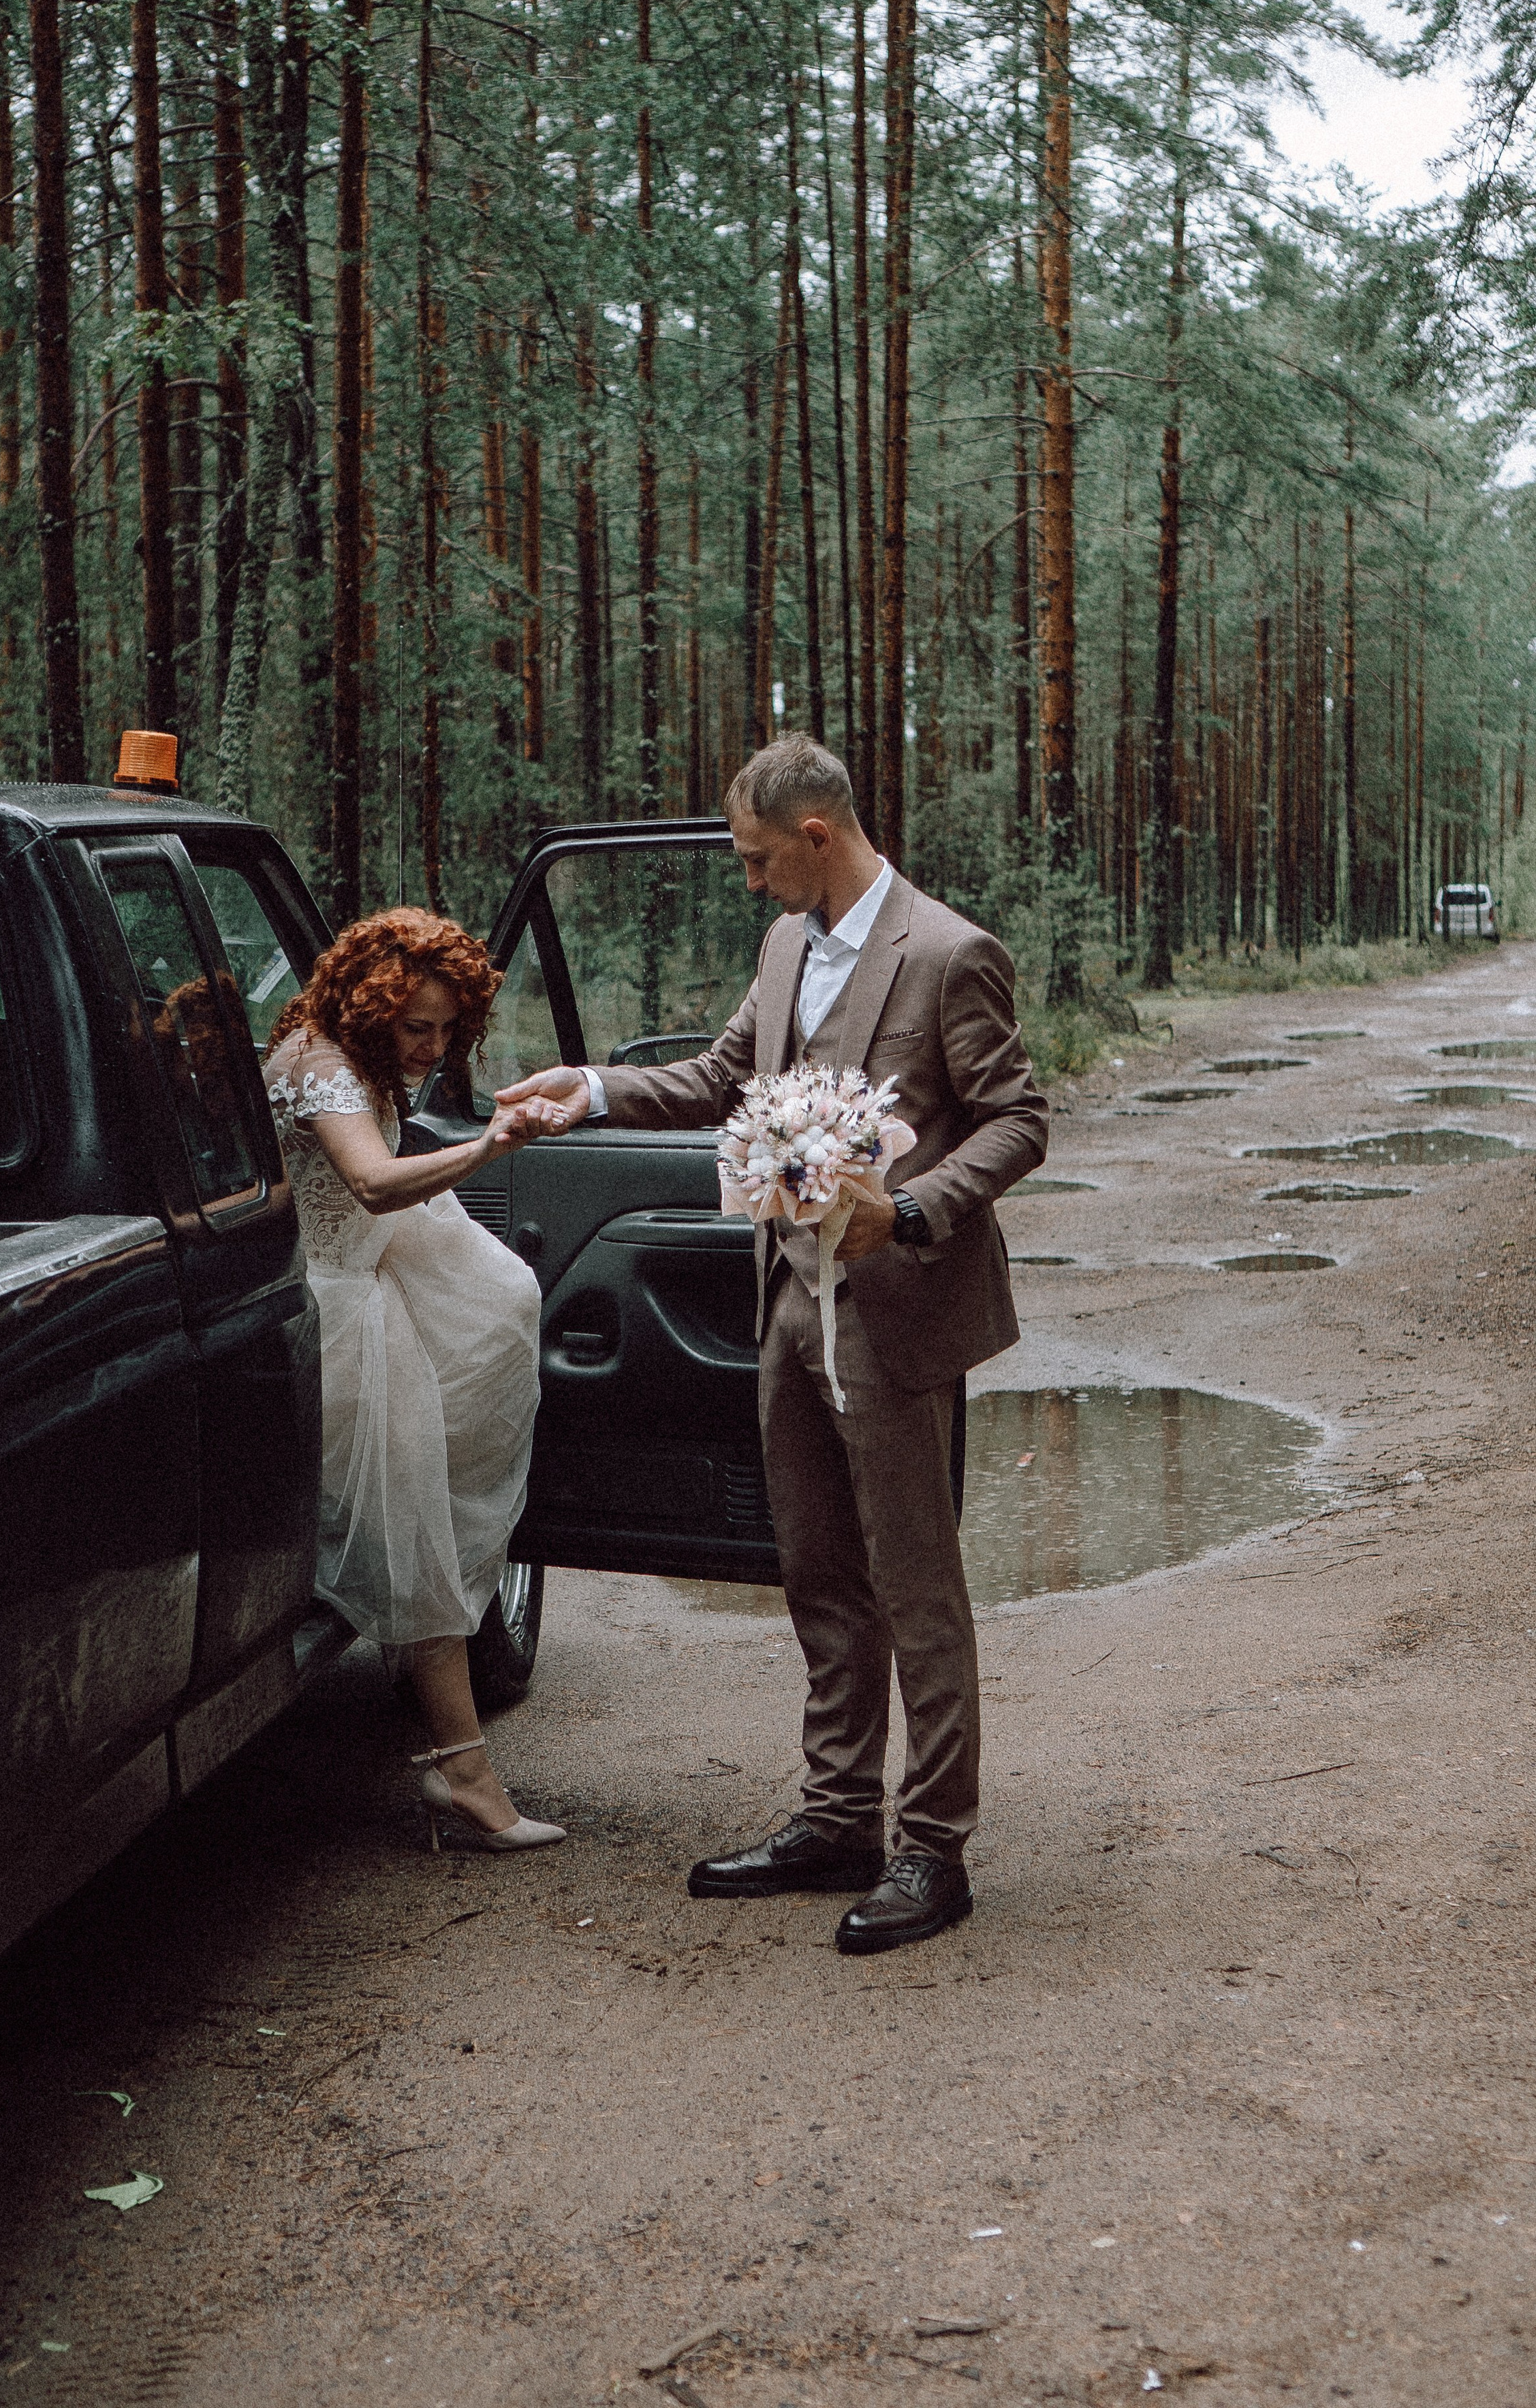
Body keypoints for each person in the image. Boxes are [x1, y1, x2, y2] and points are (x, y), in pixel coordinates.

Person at [504, 736, 1048, 1951]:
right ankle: (838, 1819)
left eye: (759, 859)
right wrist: (586, 1092)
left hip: (896, 1310)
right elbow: (720, 1076)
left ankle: (934, 1848)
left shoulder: (948, 954)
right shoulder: (785, 945)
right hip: (789, 1303)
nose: (749, 880)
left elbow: (1017, 1119)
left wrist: (913, 1211)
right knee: (816, 1569)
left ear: (816, 834)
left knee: (915, 1583)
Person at [264, 908, 570, 1854]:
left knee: (420, 1510)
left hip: (365, 1283)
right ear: (368, 1008)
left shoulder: (348, 1056)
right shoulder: (318, 1060)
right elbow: (369, 1183)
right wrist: (489, 1147)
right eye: (416, 1027)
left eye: (448, 1029)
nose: (434, 1049)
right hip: (334, 1313)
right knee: (413, 1524)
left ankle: (451, 1750)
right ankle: (463, 1773)